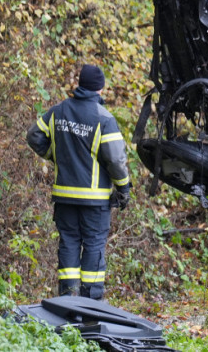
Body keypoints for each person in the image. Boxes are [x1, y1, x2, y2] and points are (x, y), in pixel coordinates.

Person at [26, 64, 131, 300]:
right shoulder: (104, 119)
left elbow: (34, 136)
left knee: (69, 242)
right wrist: (123, 187)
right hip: (94, 200)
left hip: (64, 196)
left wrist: (56, 155)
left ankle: (68, 298)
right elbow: (115, 159)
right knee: (93, 245)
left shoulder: (58, 111)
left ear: (80, 85)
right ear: (100, 89)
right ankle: (91, 300)